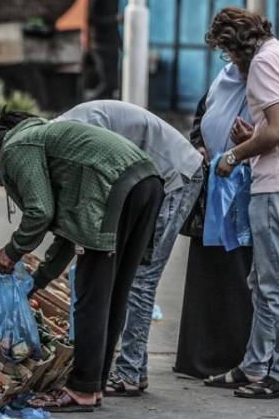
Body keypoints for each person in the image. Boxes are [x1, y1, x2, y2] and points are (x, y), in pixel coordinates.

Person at [0, 112, 163, 412]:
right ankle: (92, 385)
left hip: (115, 188)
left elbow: (39, 212)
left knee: (91, 294)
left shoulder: (16, 149)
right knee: (113, 291)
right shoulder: (42, 141)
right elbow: (68, 232)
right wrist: (38, 281)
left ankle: (82, 388)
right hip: (146, 182)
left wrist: (12, 251)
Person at [209, 7, 279, 399]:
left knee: (278, 284)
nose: (229, 62)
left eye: (226, 52)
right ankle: (254, 366)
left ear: (236, 46)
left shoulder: (262, 64)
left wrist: (234, 154)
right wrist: (255, 134)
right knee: (263, 280)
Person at [54, 100, 204, 396]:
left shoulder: (78, 131)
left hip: (177, 177)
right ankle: (134, 368)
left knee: (141, 279)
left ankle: (130, 372)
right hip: (159, 176)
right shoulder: (70, 127)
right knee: (133, 276)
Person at [179, 61, 255, 382]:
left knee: (236, 271)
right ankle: (198, 357)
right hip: (213, 187)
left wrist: (248, 141)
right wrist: (200, 145)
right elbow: (202, 118)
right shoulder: (221, 80)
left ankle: (232, 356)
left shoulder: (265, 83)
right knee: (206, 270)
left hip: (245, 190)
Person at [85, 0, 123, 101]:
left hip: (112, 45)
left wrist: (120, 43)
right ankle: (87, 101)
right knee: (107, 82)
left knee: (113, 84)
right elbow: (92, 20)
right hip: (100, 45)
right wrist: (113, 19)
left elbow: (114, 25)